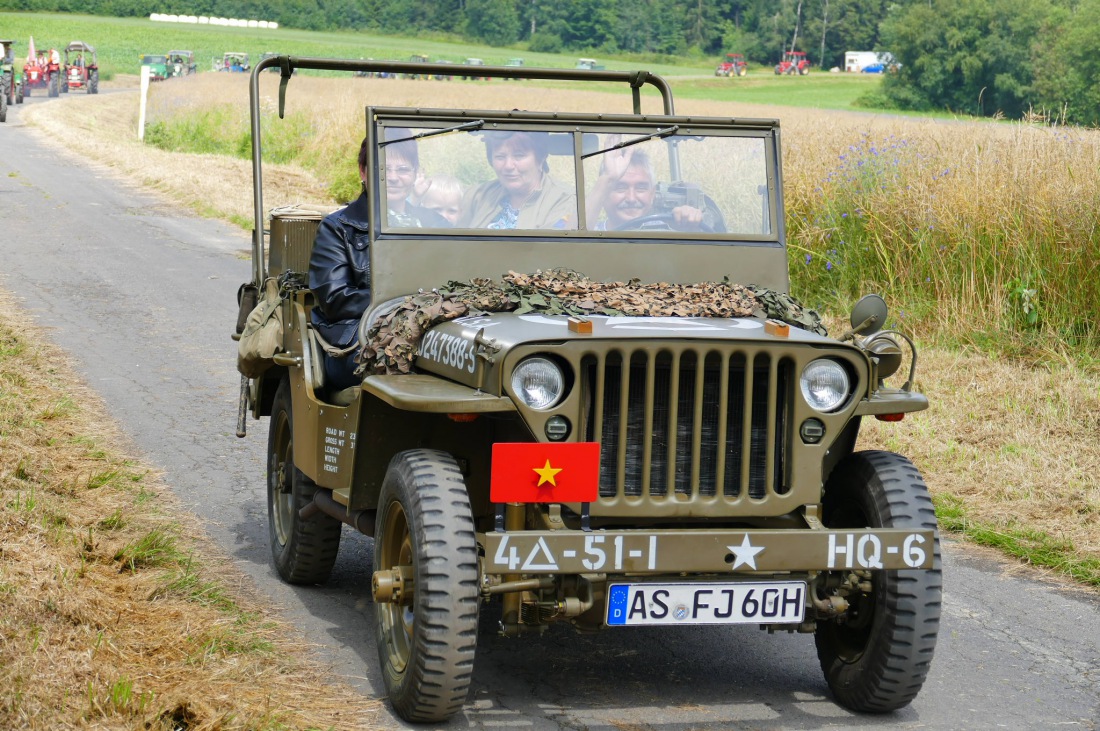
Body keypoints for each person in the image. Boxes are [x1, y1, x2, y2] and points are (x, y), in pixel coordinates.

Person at [309, 132, 446, 391]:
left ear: (416, 173)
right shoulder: (338, 227)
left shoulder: (435, 223)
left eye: (403, 169)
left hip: (431, 331)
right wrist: (407, 306)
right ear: (363, 172)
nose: (393, 177)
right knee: (400, 361)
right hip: (359, 334)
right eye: (383, 168)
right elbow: (335, 299)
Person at [459, 131, 576, 230]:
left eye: (519, 156)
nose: (508, 166)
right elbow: (455, 246)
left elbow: (554, 252)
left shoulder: (565, 201)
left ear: (540, 158)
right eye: (500, 157)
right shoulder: (477, 196)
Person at [586, 141, 703, 231]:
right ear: (604, 195)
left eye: (640, 188)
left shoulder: (667, 232)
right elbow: (569, 247)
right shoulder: (590, 231)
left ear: (652, 195)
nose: (631, 199)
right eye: (620, 188)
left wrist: (689, 223)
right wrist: (607, 178)